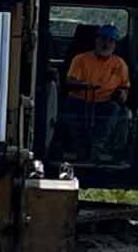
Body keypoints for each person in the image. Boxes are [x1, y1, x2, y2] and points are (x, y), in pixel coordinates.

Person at [56, 21, 134, 163]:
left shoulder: (120, 64)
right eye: (103, 39)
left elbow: (124, 86)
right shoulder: (80, 59)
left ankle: (99, 150)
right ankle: (74, 149)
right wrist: (84, 86)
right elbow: (70, 81)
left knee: (117, 111)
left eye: (110, 41)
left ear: (115, 44)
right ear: (96, 40)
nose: (106, 44)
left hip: (106, 102)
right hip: (80, 99)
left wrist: (122, 93)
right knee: (66, 109)